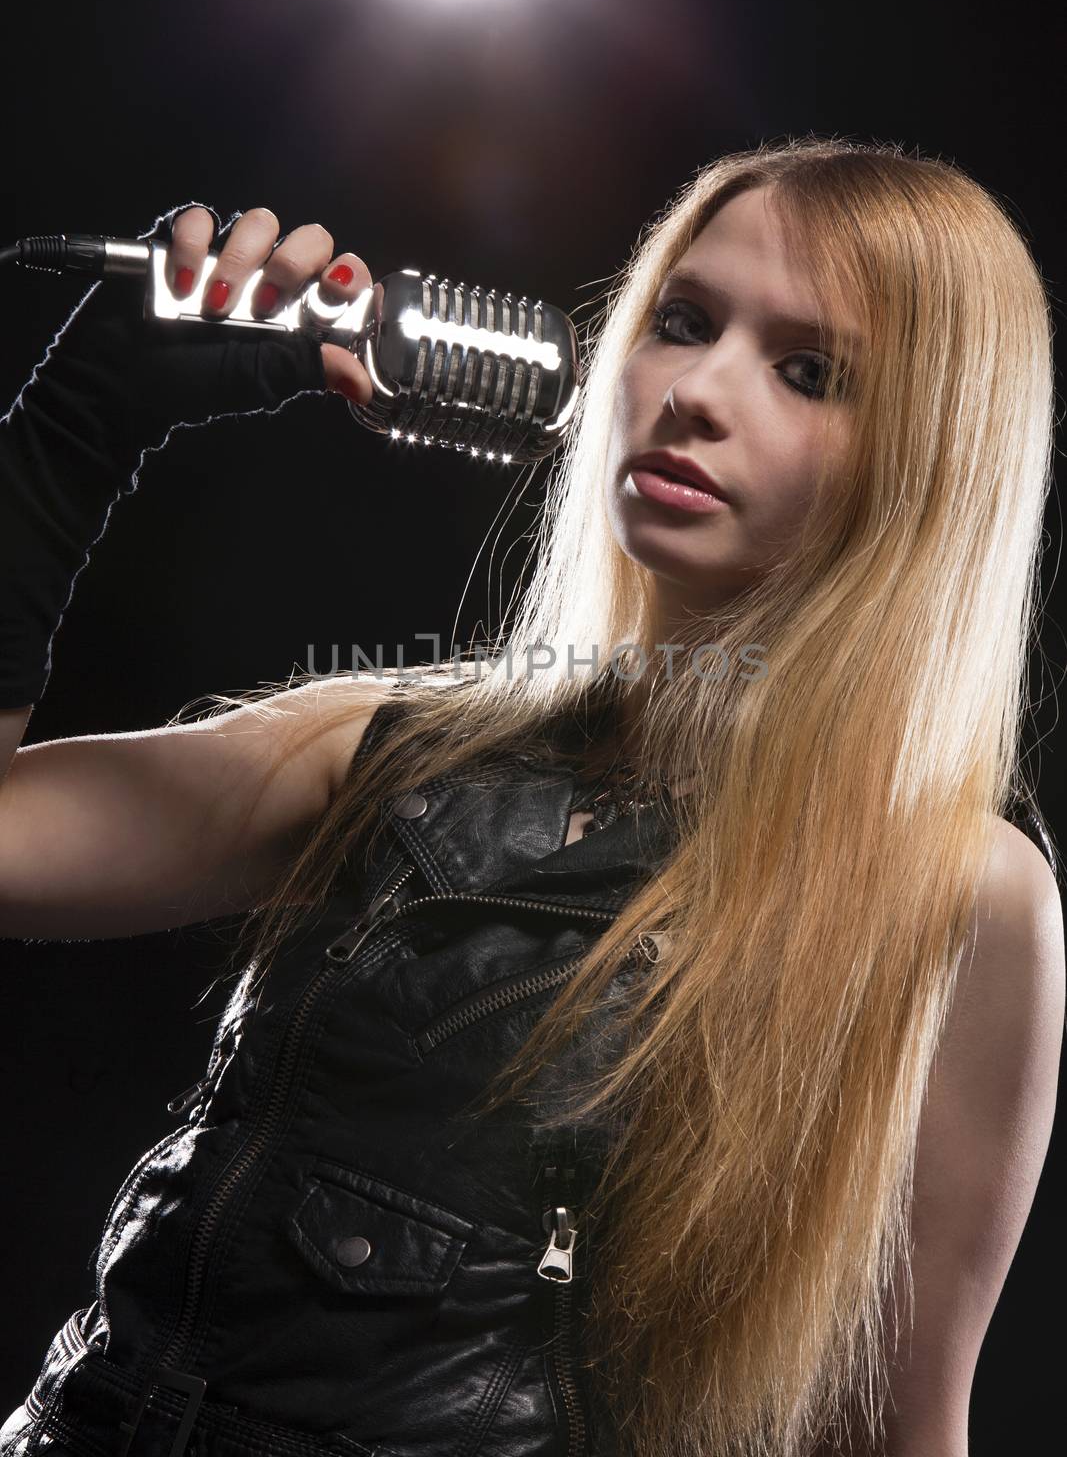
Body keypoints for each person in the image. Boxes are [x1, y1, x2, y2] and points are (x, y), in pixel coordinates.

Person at [0, 137, 1062, 1457]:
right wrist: (70, 436)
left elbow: (896, 1427)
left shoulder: (959, 892)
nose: (697, 392)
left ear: (929, 462)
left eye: (808, 372)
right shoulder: (386, 749)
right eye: (681, 322)